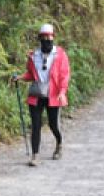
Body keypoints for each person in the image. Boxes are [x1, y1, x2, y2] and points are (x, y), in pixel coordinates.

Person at [13, 23, 71, 167]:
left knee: (53, 124)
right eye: (44, 37)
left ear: (53, 38)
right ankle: (35, 155)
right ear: (40, 38)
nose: (47, 39)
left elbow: (64, 75)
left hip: (53, 94)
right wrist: (20, 77)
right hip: (37, 94)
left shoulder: (60, 55)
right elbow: (31, 74)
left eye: (49, 37)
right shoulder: (34, 56)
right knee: (36, 125)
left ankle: (59, 142)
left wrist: (62, 92)